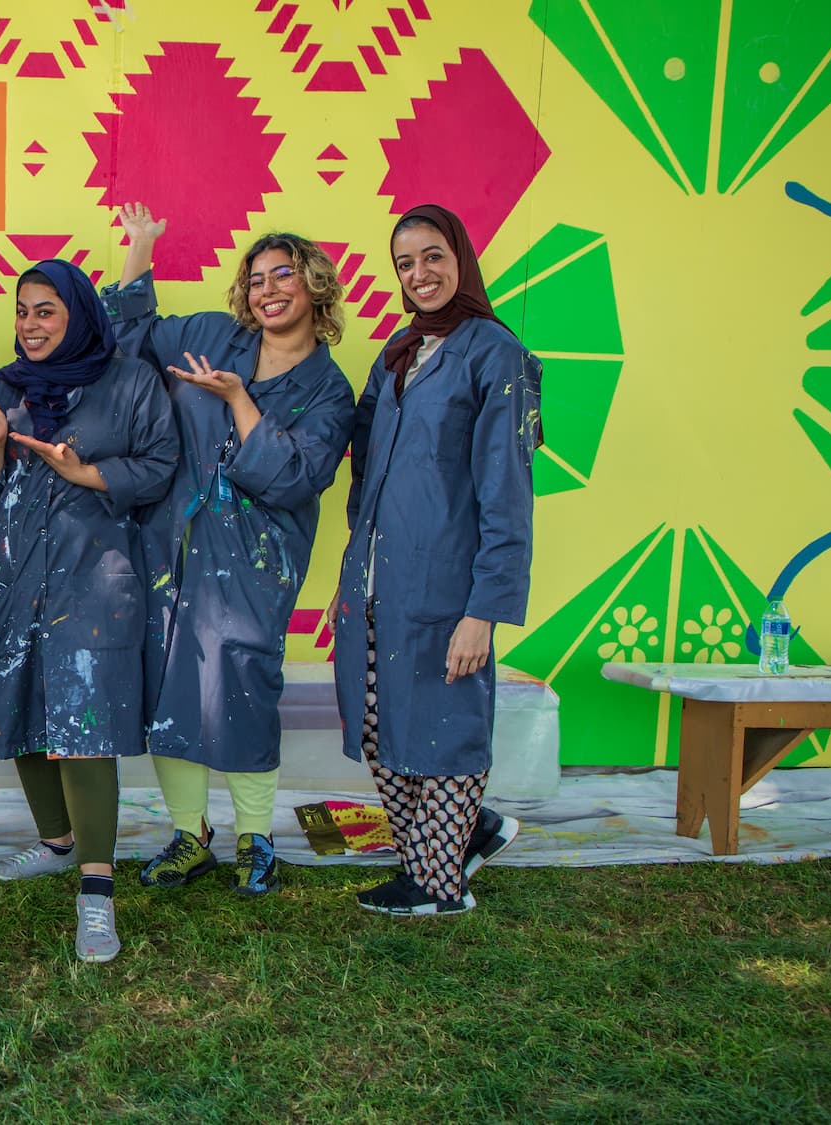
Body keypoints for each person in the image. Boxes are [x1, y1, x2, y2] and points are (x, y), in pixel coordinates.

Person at [104, 203, 357, 895]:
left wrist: (242, 401)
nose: (267, 289)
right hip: (170, 546)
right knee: (170, 687)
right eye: (255, 279)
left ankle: (257, 838)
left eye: (284, 275)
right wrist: (141, 246)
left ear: (314, 288)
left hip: (253, 560)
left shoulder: (331, 391)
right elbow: (133, 336)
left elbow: (296, 476)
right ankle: (190, 835)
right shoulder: (215, 338)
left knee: (242, 687)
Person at [0, 259, 178, 963]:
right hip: (10, 576)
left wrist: (89, 474)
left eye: (45, 311)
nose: (29, 325)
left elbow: (161, 462)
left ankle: (97, 892)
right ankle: (55, 842)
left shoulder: (130, 381)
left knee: (86, 721)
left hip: (93, 576)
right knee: (13, 705)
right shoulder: (4, 388)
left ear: (78, 313)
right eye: (22, 311)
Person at [333, 203, 539, 916]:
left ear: (461, 259)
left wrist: (483, 611)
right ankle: (465, 831)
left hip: (450, 583)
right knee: (378, 720)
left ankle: (436, 885)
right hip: (380, 577)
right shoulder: (397, 350)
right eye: (405, 263)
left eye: (432, 257)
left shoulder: (494, 354)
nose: (419, 274)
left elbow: (507, 494)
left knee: (446, 725)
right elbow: (363, 466)